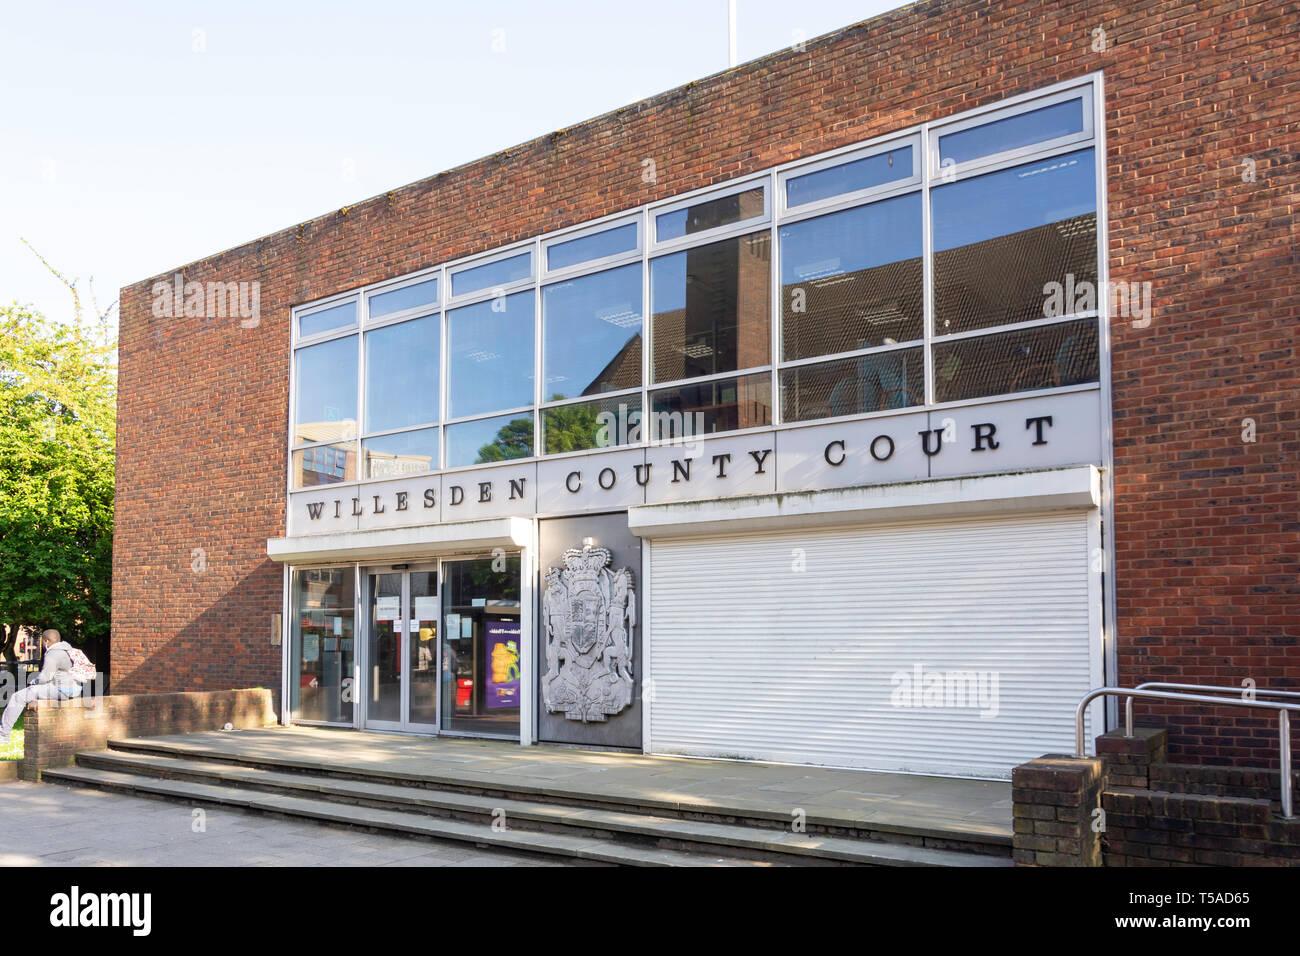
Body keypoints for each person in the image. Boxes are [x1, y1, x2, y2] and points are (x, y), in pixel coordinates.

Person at [0, 629, 84, 743]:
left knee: (17, 697)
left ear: (47, 641)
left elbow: (45, 677)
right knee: (35, 692)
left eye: (43, 642)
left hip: (62, 690)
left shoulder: (53, 654)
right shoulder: (69, 650)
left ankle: (3, 735)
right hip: (75, 690)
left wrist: (33, 682)